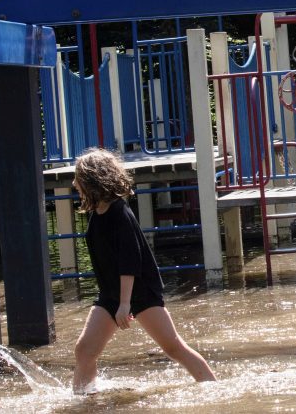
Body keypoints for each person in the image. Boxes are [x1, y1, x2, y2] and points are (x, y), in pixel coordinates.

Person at [71, 148, 216, 394]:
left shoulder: (119, 213)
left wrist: (125, 304)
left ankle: (214, 390)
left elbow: (131, 260)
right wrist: (115, 301)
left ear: (93, 180)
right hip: (111, 294)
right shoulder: (97, 214)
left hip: (139, 292)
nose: (74, 183)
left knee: (173, 348)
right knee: (84, 351)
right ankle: (85, 400)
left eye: (79, 178)